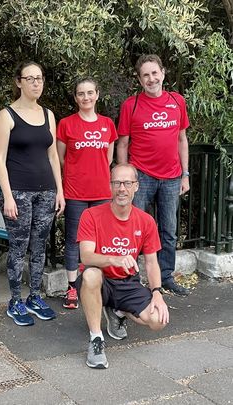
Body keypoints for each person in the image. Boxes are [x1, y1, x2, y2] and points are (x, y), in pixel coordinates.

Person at [76, 163, 169, 369]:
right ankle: (96, 338)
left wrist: (157, 292)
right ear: (110, 186)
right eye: (117, 182)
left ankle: (118, 311)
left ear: (136, 186)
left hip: (127, 282)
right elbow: (86, 256)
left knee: (158, 320)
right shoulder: (91, 215)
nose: (121, 188)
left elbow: (152, 262)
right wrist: (113, 259)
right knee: (90, 274)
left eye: (127, 183)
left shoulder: (146, 221)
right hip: (101, 280)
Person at [0, 61, 65, 326]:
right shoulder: (7, 115)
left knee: (39, 248)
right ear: (19, 82)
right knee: (17, 249)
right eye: (30, 78)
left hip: (46, 191)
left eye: (40, 78)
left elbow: (53, 156)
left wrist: (59, 190)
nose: (36, 83)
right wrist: (8, 196)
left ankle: (35, 296)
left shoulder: (48, 114)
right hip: (19, 193)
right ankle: (15, 301)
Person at [117, 54, 190, 296]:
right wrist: (124, 181)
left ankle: (166, 277)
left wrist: (185, 174)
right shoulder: (131, 105)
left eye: (154, 73)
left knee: (168, 230)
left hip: (171, 177)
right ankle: (132, 277)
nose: (151, 78)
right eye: (145, 75)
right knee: (134, 230)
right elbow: (123, 144)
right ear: (140, 80)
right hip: (142, 178)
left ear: (163, 73)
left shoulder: (177, 101)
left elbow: (182, 139)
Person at [56, 77, 117, 310]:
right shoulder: (66, 124)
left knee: (101, 241)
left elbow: (108, 158)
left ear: (97, 94)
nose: (86, 97)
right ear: (75, 98)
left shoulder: (107, 124)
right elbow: (61, 158)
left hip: (102, 191)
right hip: (75, 192)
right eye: (81, 94)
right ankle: (72, 287)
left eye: (90, 93)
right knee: (74, 239)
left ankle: (99, 285)